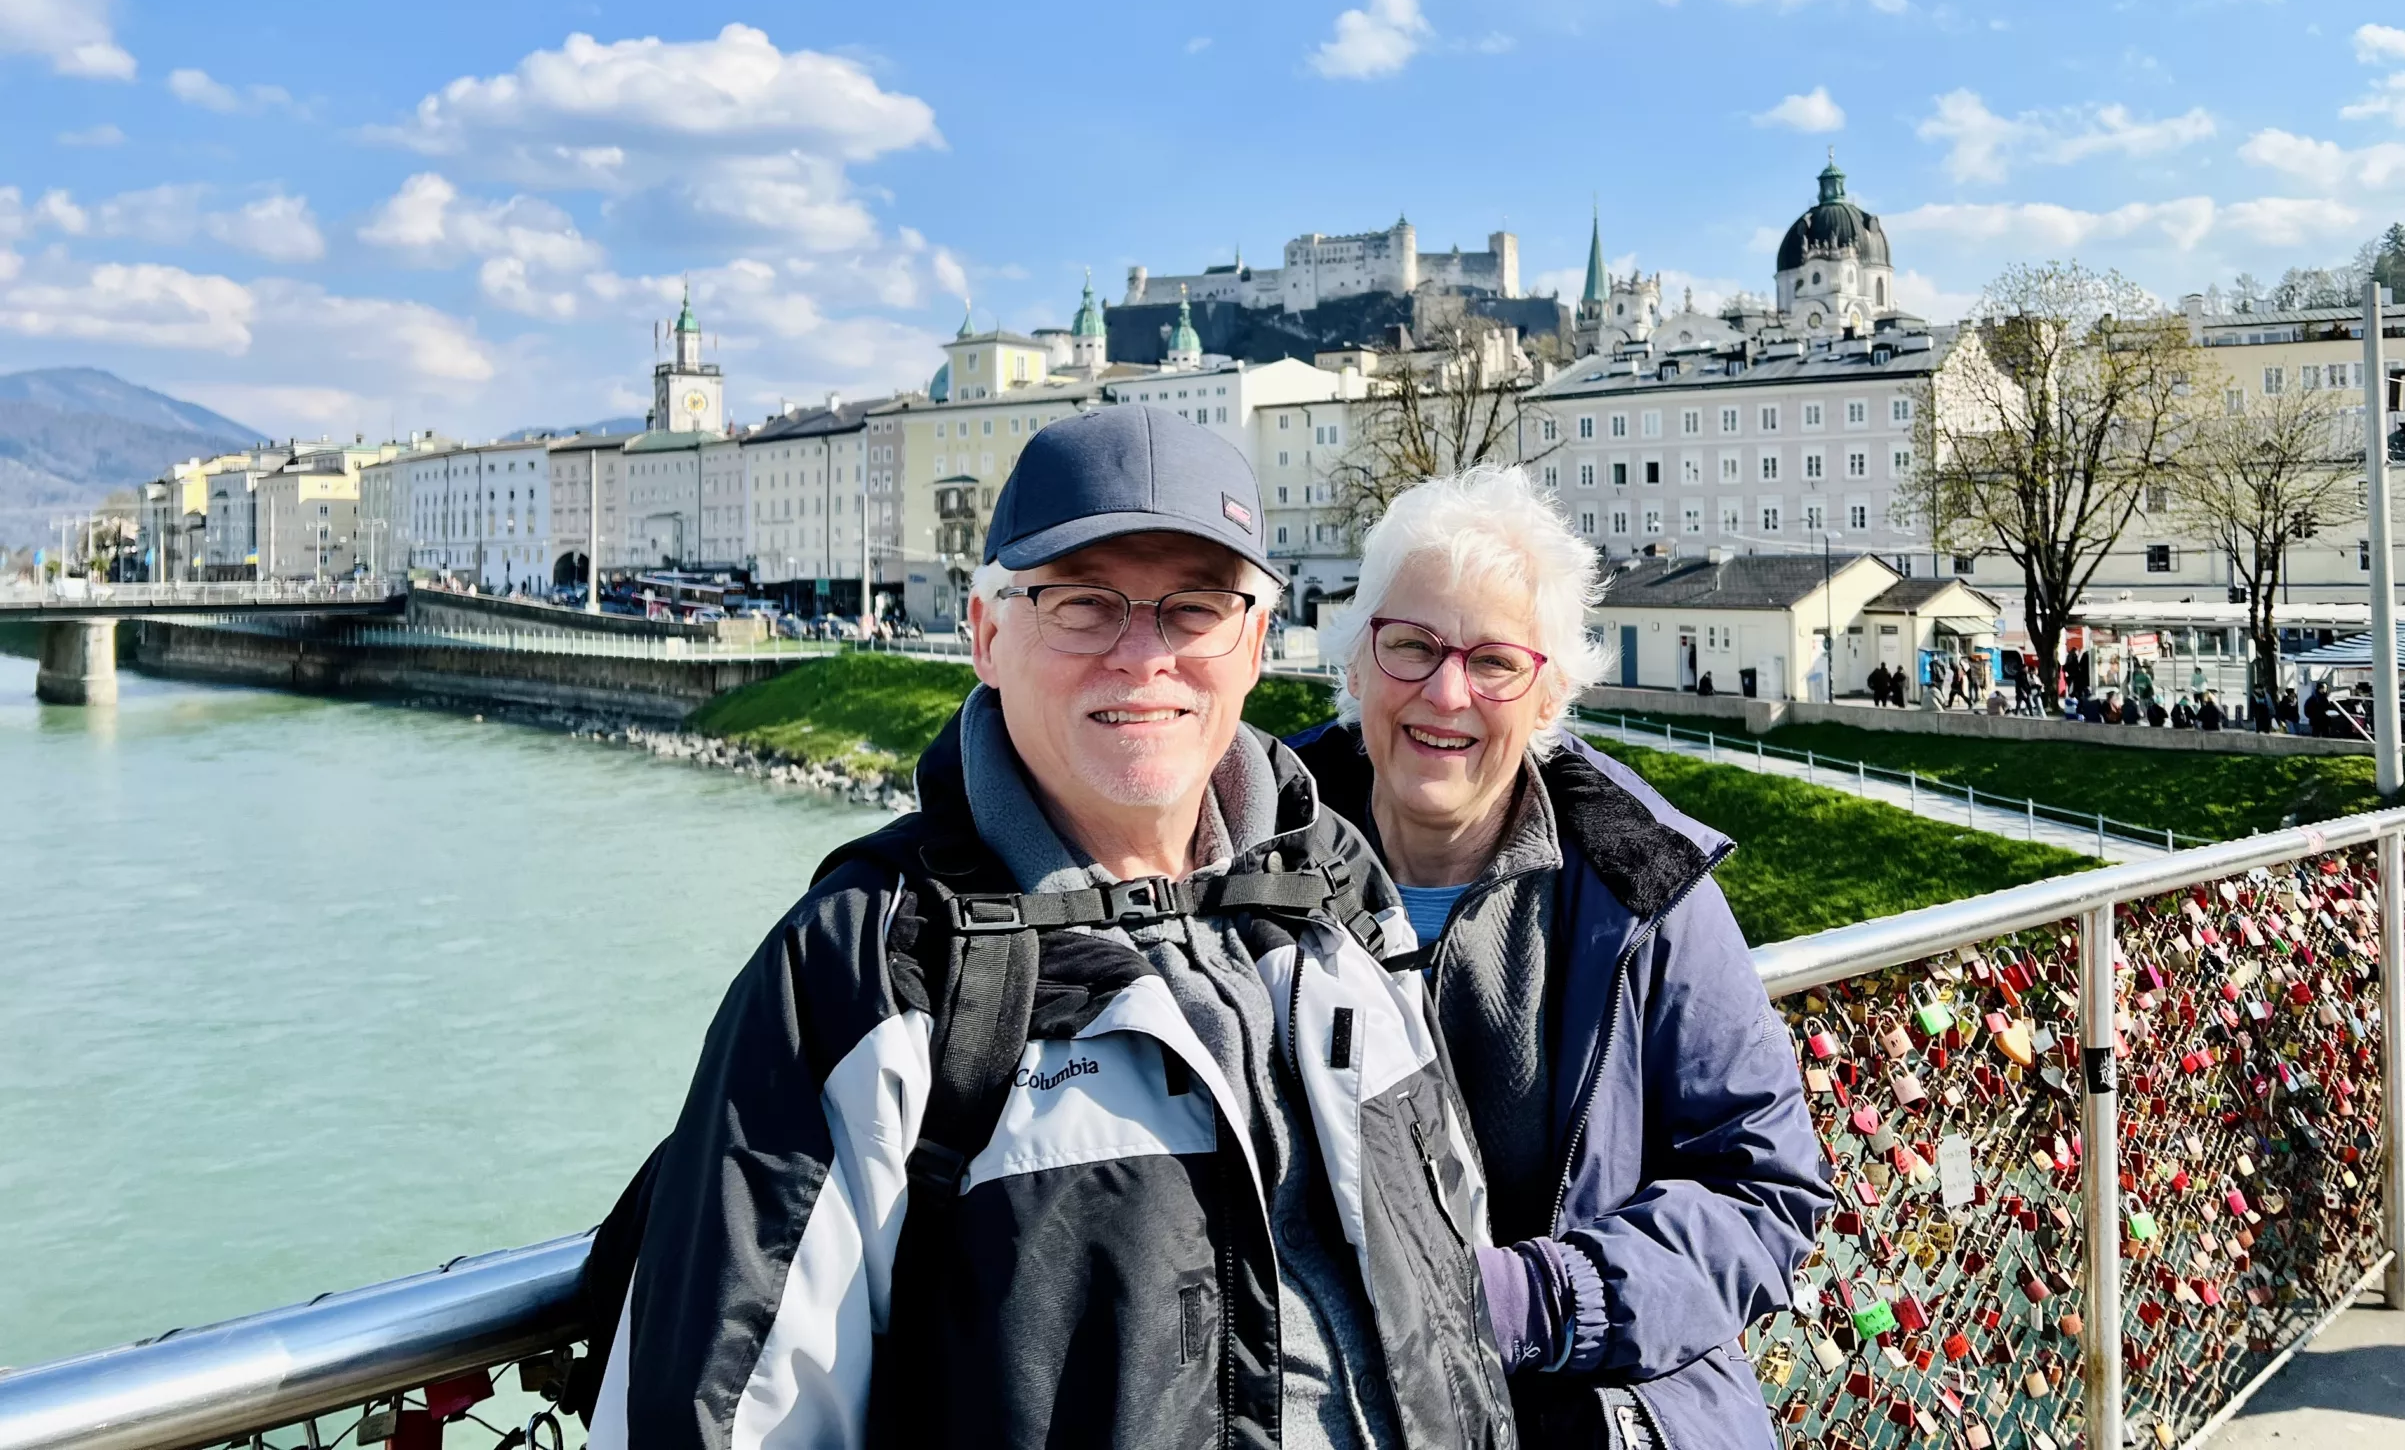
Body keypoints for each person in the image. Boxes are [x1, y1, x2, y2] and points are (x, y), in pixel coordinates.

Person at [582, 408, 1513, 1450]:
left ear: (1253, 644)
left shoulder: (1336, 897)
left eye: (1195, 610)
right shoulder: (870, 970)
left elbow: (1452, 1268)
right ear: (986, 636)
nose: (1143, 658)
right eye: (1082, 606)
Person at [1290, 468, 1829, 1448]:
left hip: (1576, 1408)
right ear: (1356, 664)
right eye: (1409, 646)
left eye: (1493, 661)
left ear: (1547, 694)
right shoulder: (1244, 854)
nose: (1443, 693)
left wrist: (1534, 1299)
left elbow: (1765, 1191)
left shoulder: (1638, 883)